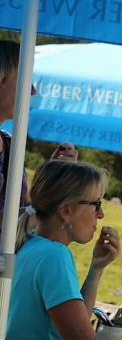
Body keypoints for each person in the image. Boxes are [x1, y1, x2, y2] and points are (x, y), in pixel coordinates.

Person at [1, 160, 121, 340]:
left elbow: (74, 332)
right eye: (96, 204)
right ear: (66, 211)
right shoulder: (55, 256)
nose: (100, 214)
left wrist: (96, 269)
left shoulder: (29, 246)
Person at [1, 40, 78, 227]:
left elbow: (25, 206)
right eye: (25, 79)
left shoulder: (9, 143)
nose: (33, 90)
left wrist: (54, 175)